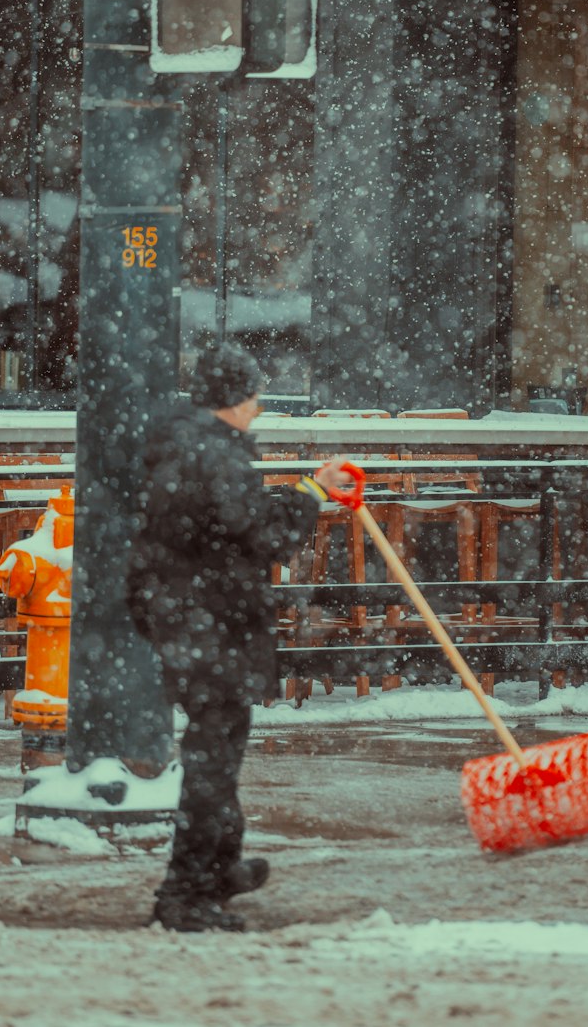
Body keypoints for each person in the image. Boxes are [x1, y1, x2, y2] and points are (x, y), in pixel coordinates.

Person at [126, 342, 351, 933]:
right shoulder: (215, 455)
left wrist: (306, 490)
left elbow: (231, 520)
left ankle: (218, 867)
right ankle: (185, 895)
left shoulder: (181, 444)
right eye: (255, 395)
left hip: (185, 617)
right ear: (237, 397)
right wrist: (310, 498)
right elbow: (262, 537)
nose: (258, 407)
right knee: (213, 760)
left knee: (220, 746)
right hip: (211, 620)